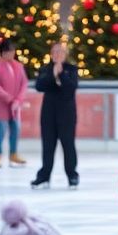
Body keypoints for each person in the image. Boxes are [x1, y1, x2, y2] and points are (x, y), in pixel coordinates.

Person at [31, 41, 80, 189]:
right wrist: (53, 74)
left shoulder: (71, 70)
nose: (58, 54)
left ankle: (72, 175)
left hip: (67, 114)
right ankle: (44, 176)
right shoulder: (45, 69)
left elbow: (71, 88)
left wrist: (61, 74)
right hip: (49, 113)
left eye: (61, 51)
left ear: (65, 54)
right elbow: (39, 86)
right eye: (55, 52)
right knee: (48, 145)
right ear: (51, 54)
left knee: (68, 144)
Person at [0, 40, 28, 168]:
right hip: (1, 105)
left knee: (15, 129)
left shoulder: (18, 66)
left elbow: (24, 84)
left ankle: (13, 154)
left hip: (15, 106)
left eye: (12, 51)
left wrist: (18, 100)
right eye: (8, 52)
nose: (11, 54)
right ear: (2, 53)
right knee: (0, 131)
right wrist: (10, 99)